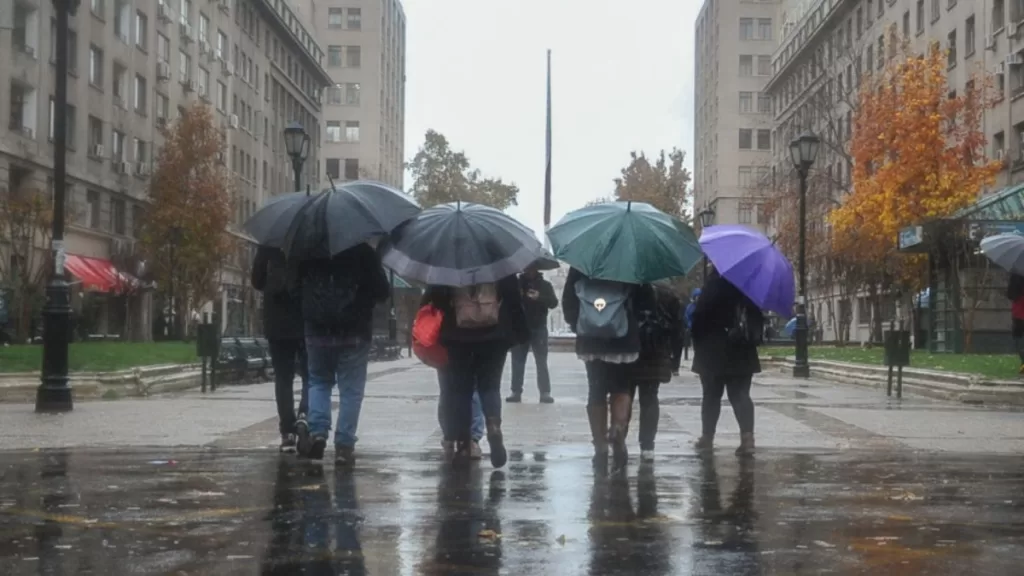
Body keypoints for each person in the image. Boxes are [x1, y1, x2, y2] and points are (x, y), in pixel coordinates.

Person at [294, 243, 390, 465]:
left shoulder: (308, 250)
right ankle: (344, 446)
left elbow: (294, 287)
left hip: (317, 330)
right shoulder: (363, 251)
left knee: (318, 381)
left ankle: (317, 432)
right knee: (351, 391)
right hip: (354, 331)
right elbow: (382, 290)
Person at [426, 276, 528, 468]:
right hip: (494, 335)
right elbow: (513, 299)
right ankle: (493, 426)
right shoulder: (499, 260)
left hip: (457, 336)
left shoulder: (448, 263)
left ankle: (465, 444)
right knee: (490, 387)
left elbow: (435, 297)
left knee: (461, 391)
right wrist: (518, 333)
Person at [563, 267, 656, 466]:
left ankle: (600, 446)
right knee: (621, 387)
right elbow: (647, 302)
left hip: (591, 338)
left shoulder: (582, 261)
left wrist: (579, 324)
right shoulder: (632, 263)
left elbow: (568, 301)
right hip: (623, 337)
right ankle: (618, 429)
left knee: (595, 391)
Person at [690, 267, 763, 456]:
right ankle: (747, 438)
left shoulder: (715, 282)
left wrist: (696, 342)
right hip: (742, 349)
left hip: (713, 350)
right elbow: (756, 319)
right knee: (740, 395)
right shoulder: (748, 285)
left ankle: (707, 438)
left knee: (711, 396)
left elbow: (699, 316)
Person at [251, 245, 309, 453]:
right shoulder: (309, 237)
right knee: (310, 376)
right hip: (305, 319)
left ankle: (287, 432)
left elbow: (256, 280)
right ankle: (305, 416)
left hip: (277, 322)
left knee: (284, 378)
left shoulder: (271, 241)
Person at [421, 287, 487, 461]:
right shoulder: (484, 272)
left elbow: (426, 304)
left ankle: (450, 436)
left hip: (448, 339)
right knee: (473, 389)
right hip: (478, 337)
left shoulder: (443, 273)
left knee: (448, 389)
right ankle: (472, 439)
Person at [632, 283, 684, 462]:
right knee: (649, 397)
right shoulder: (667, 293)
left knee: (623, 395)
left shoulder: (624, 289)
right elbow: (678, 329)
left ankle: (619, 439)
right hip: (655, 351)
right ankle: (647, 445)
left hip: (627, 348)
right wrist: (675, 361)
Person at [508, 266, 558, 404]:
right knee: (517, 361)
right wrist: (521, 296)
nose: (529, 271)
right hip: (519, 327)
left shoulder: (545, 285)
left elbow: (553, 303)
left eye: (532, 268)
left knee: (541, 361)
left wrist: (539, 297)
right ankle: (516, 391)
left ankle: (545, 392)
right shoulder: (516, 284)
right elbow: (509, 303)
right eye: (527, 268)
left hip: (539, 327)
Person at [1007, 273, 1024, 373]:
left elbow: (1010, 294)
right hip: (1019, 312)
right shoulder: (1016, 274)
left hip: (1018, 313)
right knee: (1018, 340)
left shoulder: (1016, 273)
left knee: (1018, 340)